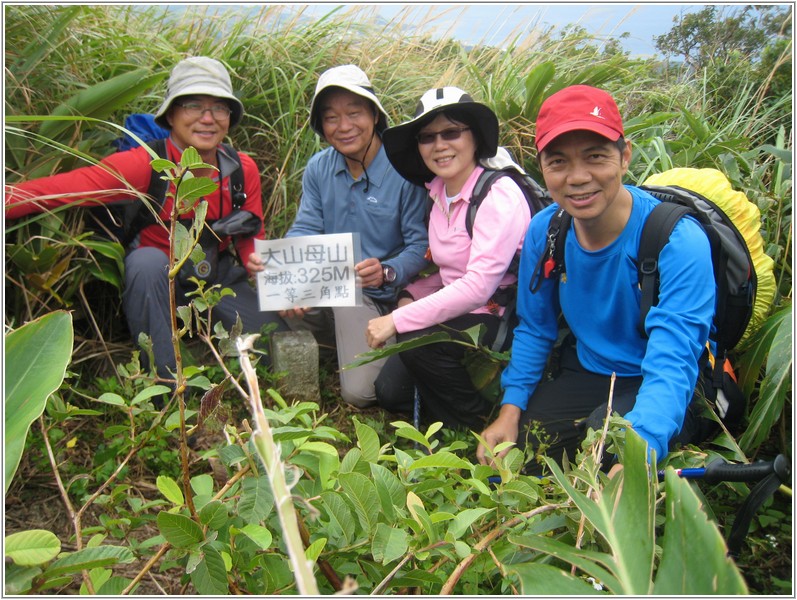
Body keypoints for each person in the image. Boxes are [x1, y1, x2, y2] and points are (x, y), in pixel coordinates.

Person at [476, 85, 716, 474]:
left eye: (595, 156)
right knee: (530, 446)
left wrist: (642, 448)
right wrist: (510, 410)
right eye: (558, 162)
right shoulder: (547, 231)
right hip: (593, 370)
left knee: (609, 448)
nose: (578, 177)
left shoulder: (677, 240)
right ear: (542, 168)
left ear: (625, 157)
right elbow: (535, 328)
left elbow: (673, 358)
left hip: (668, 378)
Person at [5, 56, 288, 383]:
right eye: (193, 106)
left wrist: (260, 262)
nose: (208, 119)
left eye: (219, 108)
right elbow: (58, 190)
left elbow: (251, 232)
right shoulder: (142, 165)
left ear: (230, 116)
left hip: (215, 279)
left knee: (272, 341)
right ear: (171, 114)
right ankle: (167, 384)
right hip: (157, 282)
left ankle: (208, 342)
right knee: (145, 261)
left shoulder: (241, 170)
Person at [248, 65, 429, 408]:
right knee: (275, 292)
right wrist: (282, 269)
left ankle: (387, 343)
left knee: (361, 394)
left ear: (375, 115)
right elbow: (306, 227)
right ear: (321, 126)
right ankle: (342, 345)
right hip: (334, 286)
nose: (344, 126)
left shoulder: (403, 169)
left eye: (354, 113)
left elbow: (421, 245)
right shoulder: (319, 167)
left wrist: (387, 269)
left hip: (379, 294)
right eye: (331, 118)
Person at [365, 87, 532, 430]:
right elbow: (448, 272)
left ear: (475, 139)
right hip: (463, 312)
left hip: (503, 313)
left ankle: (478, 426)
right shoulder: (438, 193)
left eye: (451, 132)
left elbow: (477, 287)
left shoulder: (497, 194)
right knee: (390, 392)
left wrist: (399, 319)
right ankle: (455, 408)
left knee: (415, 343)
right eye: (427, 137)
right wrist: (409, 294)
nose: (439, 145)